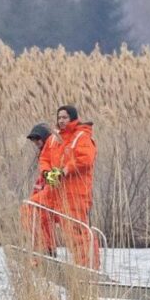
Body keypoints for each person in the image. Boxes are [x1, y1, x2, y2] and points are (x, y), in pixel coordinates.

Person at [38, 105, 100, 269]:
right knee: (34, 211)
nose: (61, 121)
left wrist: (65, 170)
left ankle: (87, 267)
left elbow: (85, 158)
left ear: (72, 118)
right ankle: (47, 252)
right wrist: (46, 173)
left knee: (75, 232)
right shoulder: (53, 139)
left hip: (75, 194)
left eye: (65, 117)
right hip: (54, 190)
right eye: (59, 118)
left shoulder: (81, 137)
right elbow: (44, 158)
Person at [21, 123, 59, 257]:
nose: (36, 142)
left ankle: (44, 249)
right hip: (49, 192)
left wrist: (50, 181)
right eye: (34, 140)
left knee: (30, 209)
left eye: (37, 139)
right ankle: (45, 250)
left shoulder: (51, 147)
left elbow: (54, 174)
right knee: (41, 219)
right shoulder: (47, 149)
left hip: (52, 193)